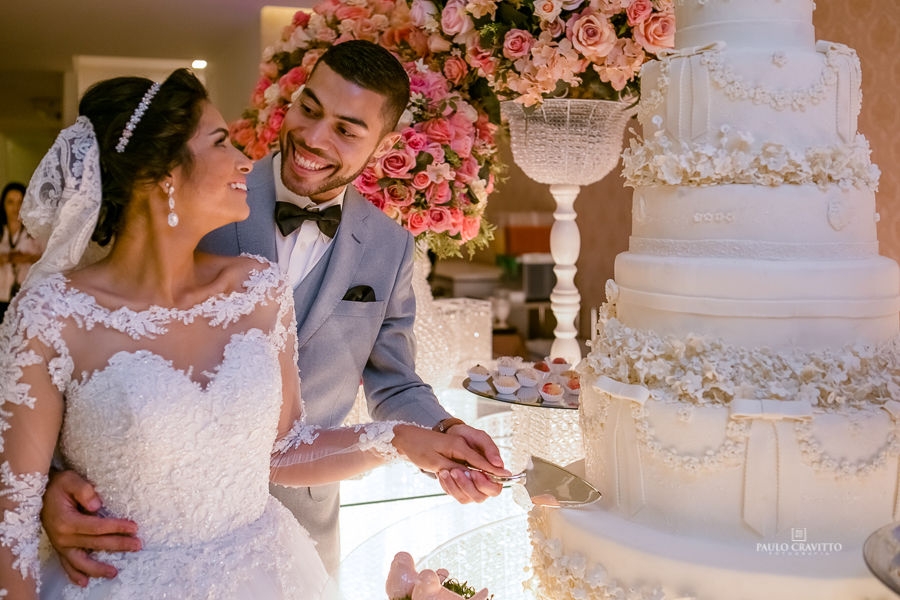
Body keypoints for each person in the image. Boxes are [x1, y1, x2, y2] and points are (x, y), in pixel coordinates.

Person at [0, 68, 509, 599]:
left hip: (270, 568)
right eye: (222, 141)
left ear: (381, 145)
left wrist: (412, 438)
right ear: (162, 174)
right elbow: (11, 508)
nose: (247, 157)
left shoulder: (262, 288)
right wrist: (44, 492)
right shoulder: (51, 314)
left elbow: (286, 446)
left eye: (346, 129)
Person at [0, 181, 43, 321]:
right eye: (10, 202)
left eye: (20, 202)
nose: (15, 208)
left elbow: (53, 260)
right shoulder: (2, 232)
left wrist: (29, 258)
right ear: (3, 205)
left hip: (27, 296)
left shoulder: (37, 231)